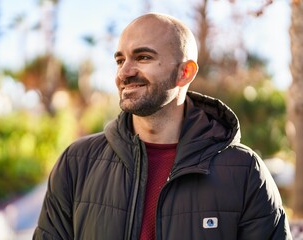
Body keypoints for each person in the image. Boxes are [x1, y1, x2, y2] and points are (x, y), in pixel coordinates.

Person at [33, 13, 292, 240]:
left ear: (185, 73)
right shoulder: (77, 162)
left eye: (143, 57)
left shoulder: (245, 172)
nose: (124, 72)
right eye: (120, 60)